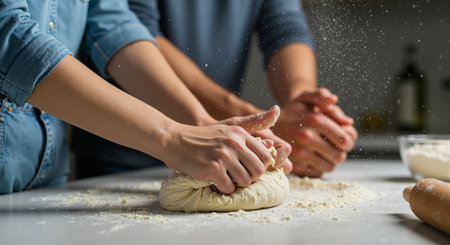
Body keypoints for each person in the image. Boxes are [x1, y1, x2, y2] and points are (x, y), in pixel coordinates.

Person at [0, 0, 291, 194]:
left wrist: (200, 121)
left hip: (46, 186)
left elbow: (111, 24)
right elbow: (9, 38)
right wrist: (169, 136)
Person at [72, 0, 358, 178]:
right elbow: (133, 32)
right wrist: (259, 123)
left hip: (224, 149)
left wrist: (304, 112)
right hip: (127, 157)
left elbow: (285, 26)